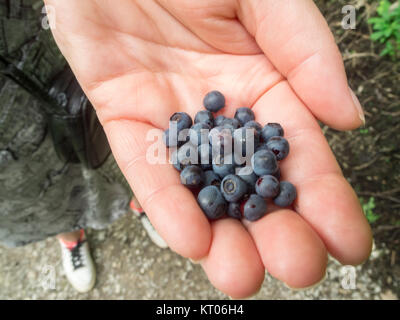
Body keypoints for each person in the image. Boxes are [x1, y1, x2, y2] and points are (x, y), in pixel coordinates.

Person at [0, 1, 167, 294]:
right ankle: (71, 238)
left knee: (116, 136)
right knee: (31, 192)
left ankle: (141, 201)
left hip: (44, 33)